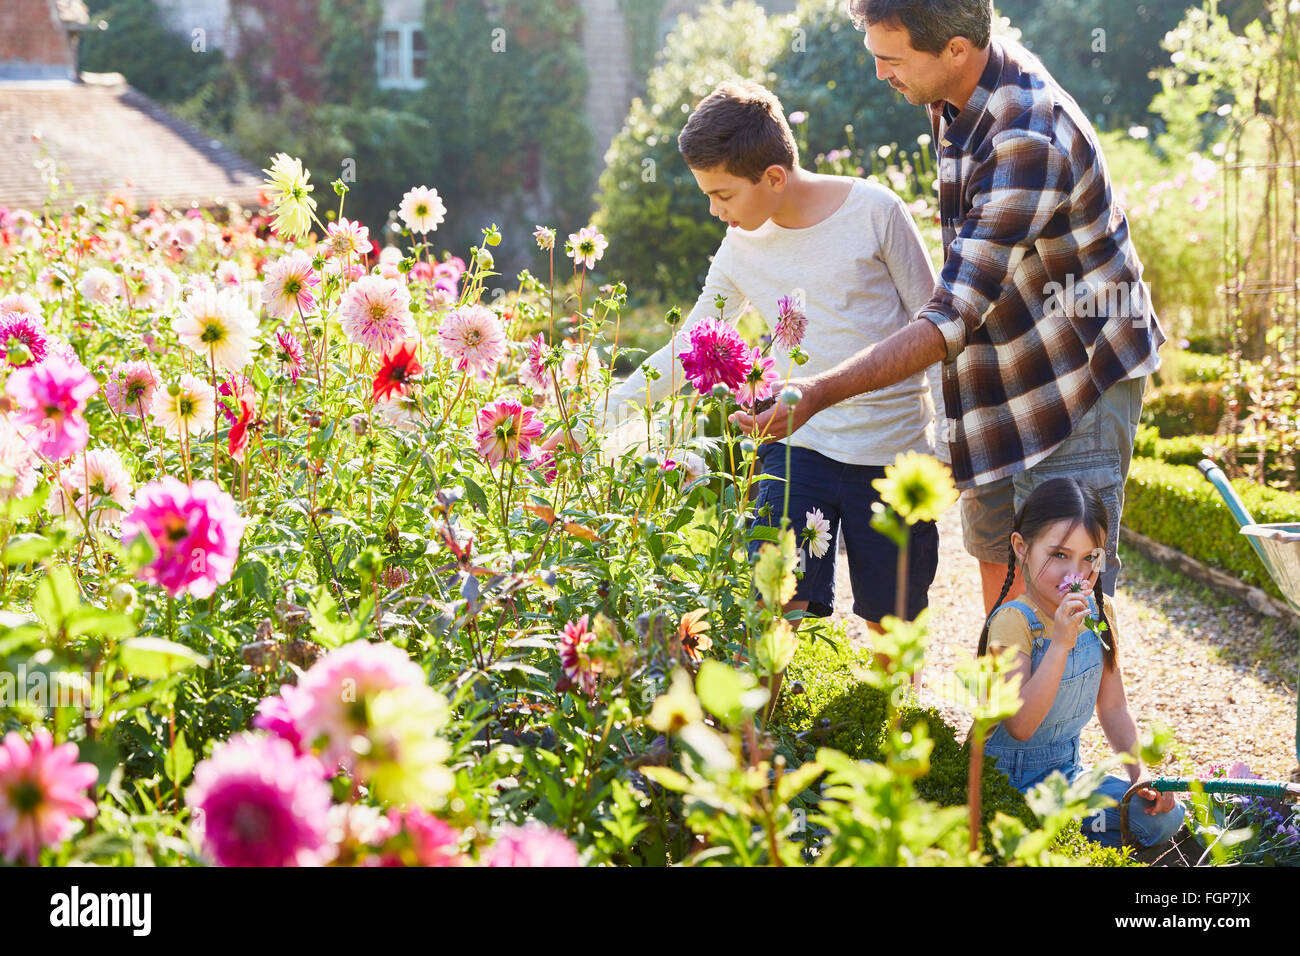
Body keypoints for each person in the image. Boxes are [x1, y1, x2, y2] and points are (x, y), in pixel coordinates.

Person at [733, 0, 1166, 616]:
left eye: (891, 59)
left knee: (1065, 584)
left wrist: (816, 393)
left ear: (955, 50)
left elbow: (951, 314)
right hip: (1007, 368)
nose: (882, 74)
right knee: (1000, 553)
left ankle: (1070, 713)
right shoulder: (954, 91)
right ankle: (1005, 707)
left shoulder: (1026, 136)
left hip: (1077, 379)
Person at [558, 80, 948, 631]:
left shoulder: (875, 212)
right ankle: (760, 717)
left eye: (723, 195)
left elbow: (937, 330)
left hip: (892, 451)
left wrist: (951, 445)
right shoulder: (742, 246)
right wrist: (594, 421)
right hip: (797, 446)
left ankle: (889, 711)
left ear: (773, 177)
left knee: (893, 622)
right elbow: (686, 348)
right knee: (772, 604)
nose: (716, 212)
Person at [977, 476, 1184, 849]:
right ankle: (1045, 838)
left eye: (1089, 557)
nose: (1076, 572)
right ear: (1022, 547)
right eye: (1059, 555)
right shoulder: (1013, 622)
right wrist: (1059, 645)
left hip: (1066, 777)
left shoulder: (1099, 612)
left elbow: (1114, 706)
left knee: (1165, 817)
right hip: (1004, 784)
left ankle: (1057, 836)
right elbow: (1021, 725)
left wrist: (1141, 774)